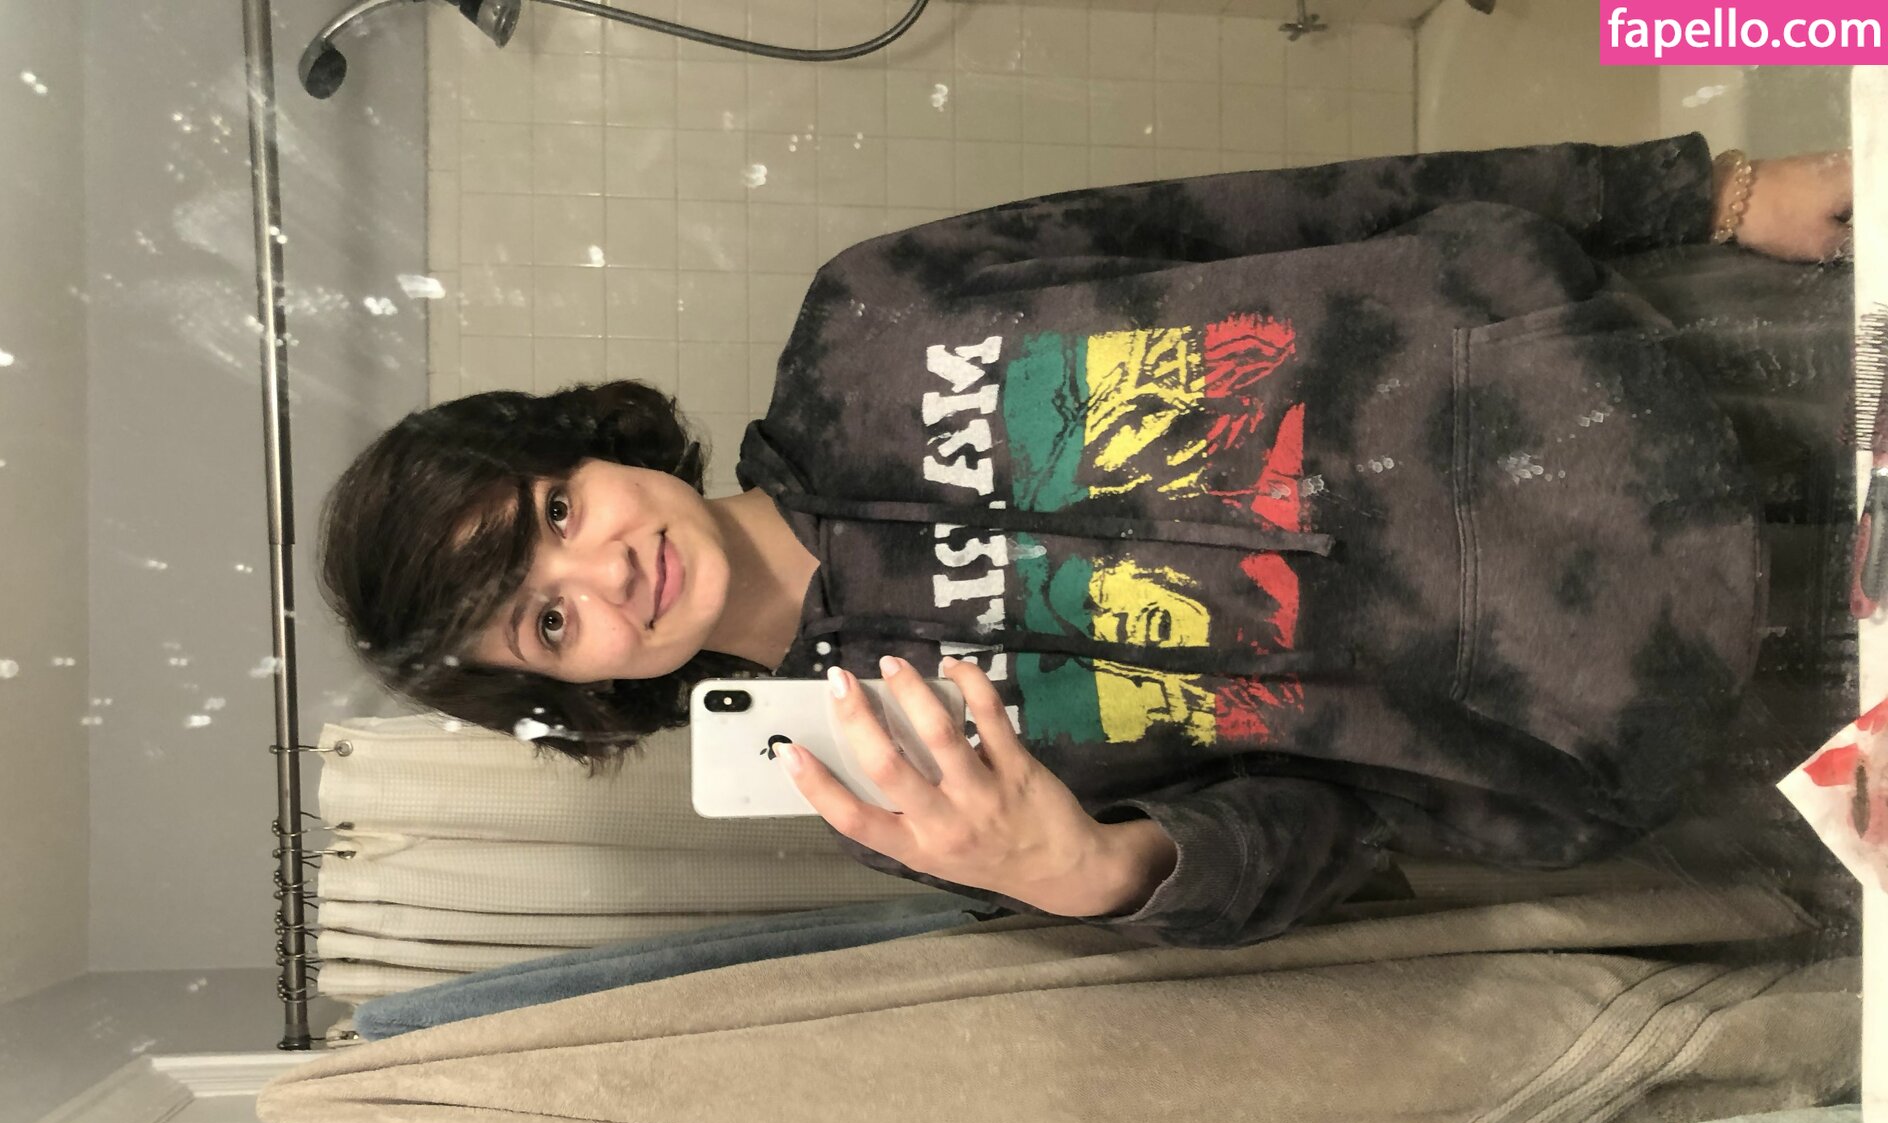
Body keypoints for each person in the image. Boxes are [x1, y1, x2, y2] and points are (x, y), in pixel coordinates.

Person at [320, 134, 1855, 948]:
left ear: (584, 445)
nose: (602, 571)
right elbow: (1326, 844)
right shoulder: (903, 780)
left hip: (1688, 359)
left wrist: (1708, 192)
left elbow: (1272, 206)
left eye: (555, 514)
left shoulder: (869, 317)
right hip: (1688, 697)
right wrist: (1099, 872)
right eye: (547, 621)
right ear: (582, 691)